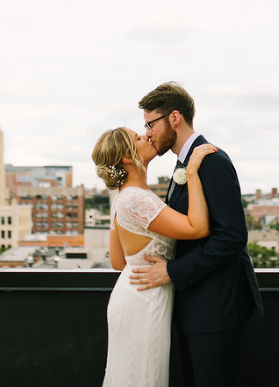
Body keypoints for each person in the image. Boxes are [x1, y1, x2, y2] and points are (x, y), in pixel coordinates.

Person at [131, 82, 264, 387]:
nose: (148, 133)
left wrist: (172, 271)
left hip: (214, 310)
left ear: (174, 118)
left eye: (151, 124)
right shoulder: (184, 164)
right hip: (194, 310)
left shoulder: (212, 161)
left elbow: (232, 237)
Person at [91, 126, 217, 387]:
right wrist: (192, 172)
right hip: (145, 302)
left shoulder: (124, 195)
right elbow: (198, 228)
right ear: (127, 157)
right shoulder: (137, 199)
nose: (147, 135)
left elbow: (118, 262)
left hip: (133, 294)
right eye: (138, 138)